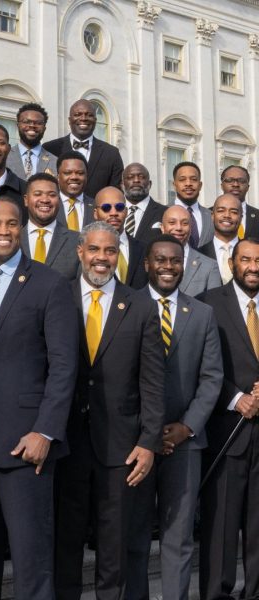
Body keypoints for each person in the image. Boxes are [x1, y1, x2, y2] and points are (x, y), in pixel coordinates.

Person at [0, 197, 77, 599]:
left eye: (11, 223)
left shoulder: (49, 284)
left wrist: (45, 431)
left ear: (21, 229)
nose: (3, 231)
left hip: (27, 442)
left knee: (31, 555)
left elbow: (64, 366)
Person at [54, 221, 164, 600]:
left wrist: (148, 441)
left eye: (110, 251)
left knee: (114, 542)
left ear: (118, 256)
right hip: (65, 440)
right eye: (95, 249)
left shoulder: (140, 304)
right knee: (66, 538)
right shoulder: (58, 296)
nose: (102, 258)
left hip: (121, 445)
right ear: (80, 252)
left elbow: (153, 380)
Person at [126, 235, 222, 600]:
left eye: (175, 260)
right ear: (147, 264)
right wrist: (146, 432)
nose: (169, 267)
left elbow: (211, 378)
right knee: (135, 535)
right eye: (161, 260)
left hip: (185, 444)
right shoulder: (127, 305)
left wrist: (186, 427)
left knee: (179, 536)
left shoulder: (202, 314)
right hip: (137, 443)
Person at [199, 238, 259, 600]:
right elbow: (200, 365)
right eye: (246, 260)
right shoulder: (208, 304)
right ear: (232, 264)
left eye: (258, 260)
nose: (253, 267)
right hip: (227, 431)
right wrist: (236, 398)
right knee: (221, 522)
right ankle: (217, 593)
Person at [43, 99, 123, 197]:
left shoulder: (111, 153)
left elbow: (115, 193)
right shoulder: (49, 149)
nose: (83, 118)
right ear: (69, 120)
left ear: (95, 120)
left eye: (89, 115)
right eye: (78, 114)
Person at [21, 172, 80, 281]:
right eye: (37, 194)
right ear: (26, 200)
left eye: (52, 195)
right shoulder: (14, 239)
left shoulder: (77, 241)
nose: (45, 200)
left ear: (59, 200)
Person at [93, 186, 147, 289]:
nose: (114, 213)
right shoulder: (86, 250)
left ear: (126, 211)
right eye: (106, 208)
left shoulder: (144, 249)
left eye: (119, 207)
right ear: (96, 213)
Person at [161, 205, 221, 296]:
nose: (179, 228)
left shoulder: (209, 266)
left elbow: (214, 301)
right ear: (162, 227)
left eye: (185, 223)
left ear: (191, 228)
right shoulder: (150, 261)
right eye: (172, 223)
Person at [199, 194, 243, 284]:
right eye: (221, 211)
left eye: (234, 212)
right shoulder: (198, 254)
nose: (227, 215)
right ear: (212, 216)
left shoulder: (254, 253)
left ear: (241, 218)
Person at [6, 103, 57, 179]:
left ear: (44, 128)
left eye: (38, 123)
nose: (32, 125)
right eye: (26, 122)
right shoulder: (5, 156)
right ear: (18, 125)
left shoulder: (55, 162)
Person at [122, 162, 165, 245]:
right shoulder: (112, 211)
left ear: (150, 184)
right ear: (122, 185)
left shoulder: (164, 212)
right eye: (130, 177)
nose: (136, 180)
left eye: (141, 177)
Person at [172, 161, 213, 248]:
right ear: (174, 185)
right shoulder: (162, 212)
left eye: (194, 179)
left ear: (200, 185)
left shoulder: (212, 216)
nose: (188, 184)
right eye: (182, 180)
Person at [56, 150, 94, 232]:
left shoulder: (96, 206)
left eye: (80, 173)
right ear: (58, 177)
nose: (74, 177)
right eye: (67, 173)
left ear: (86, 176)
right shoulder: (49, 205)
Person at [220, 165, 259, 238]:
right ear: (222, 186)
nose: (236, 184)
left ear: (248, 187)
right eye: (230, 180)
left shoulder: (257, 216)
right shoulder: (207, 216)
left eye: (241, 181)